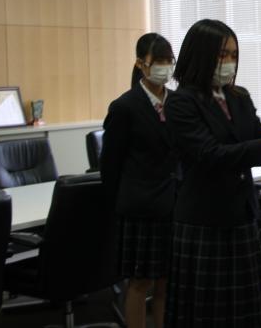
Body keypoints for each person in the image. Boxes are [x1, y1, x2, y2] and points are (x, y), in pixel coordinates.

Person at [163, 19, 261, 328]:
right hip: (204, 219)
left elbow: (256, 138)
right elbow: (209, 154)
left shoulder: (239, 97)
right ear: (200, 55)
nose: (228, 62)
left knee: (247, 314)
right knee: (207, 316)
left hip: (241, 214)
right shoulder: (180, 102)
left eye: (233, 55)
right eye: (221, 55)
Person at [101, 32, 178, 328]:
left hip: (174, 202)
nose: (164, 67)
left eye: (169, 61)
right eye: (158, 61)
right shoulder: (124, 106)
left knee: (167, 281)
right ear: (140, 64)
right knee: (140, 282)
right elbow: (110, 165)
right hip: (141, 207)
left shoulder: (177, 102)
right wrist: (117, 207)